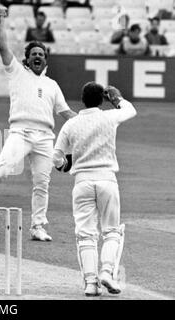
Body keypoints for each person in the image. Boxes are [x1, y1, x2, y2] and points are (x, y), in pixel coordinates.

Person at [0, 8, 77, 241]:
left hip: (45, 136)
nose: (38, 56)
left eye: (42, 54)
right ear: (27, 58)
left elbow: (66, 112)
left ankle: (38, 226)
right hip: (20, 132)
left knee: (42, 183)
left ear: (46, 60)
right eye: (34, 54)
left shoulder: (52, 85)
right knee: (1, 171)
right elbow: (2, 46)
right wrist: (1, 19)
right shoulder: (17, 72)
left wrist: (88, 119)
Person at [53, 82, 137, 296]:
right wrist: (116, 98)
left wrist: (64, 165)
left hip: (82, 182)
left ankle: (91, 283)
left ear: (82, 100)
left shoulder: (71, 124)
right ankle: (107, 272)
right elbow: (130, 111)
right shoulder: (108, 116)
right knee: (111, 231)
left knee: (85, 235)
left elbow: (56, 156)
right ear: (102, 100)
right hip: (107, 180)